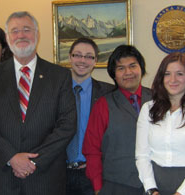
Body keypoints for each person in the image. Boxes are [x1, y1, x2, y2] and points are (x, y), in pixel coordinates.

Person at [0, 11, 76, 195]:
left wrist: (34, 161)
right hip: (3, 177)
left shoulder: (59, 76)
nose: (20, 35)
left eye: (26, 30)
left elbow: (67, 125)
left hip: (45, 178)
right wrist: (11, 157)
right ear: (7, 38)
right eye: (15, 31)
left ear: (37, 35)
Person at [136, 52, 185, 195]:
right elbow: (142, 155)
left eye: (179, 74)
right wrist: (151, 189)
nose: (173, 79)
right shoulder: (148, 109)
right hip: (155, 184)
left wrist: (182, 192)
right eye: (167, 74)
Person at [82, 45, 150, 195]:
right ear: (114, 74)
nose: (128, 73)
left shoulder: (157, 100)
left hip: (154, 184)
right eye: (121, 68)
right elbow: (91, 149)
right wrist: (98, 187)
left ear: (141, 68)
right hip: (116, 185)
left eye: (133, 66)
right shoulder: (103, 104)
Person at [65, 37, 113, 195]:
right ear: (70, 57)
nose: (82, 60)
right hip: (60, 174)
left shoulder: (108, 93)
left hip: (93, 173)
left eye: (88, 56)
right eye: (77, 55)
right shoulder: (56, 92)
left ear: (95, 61)